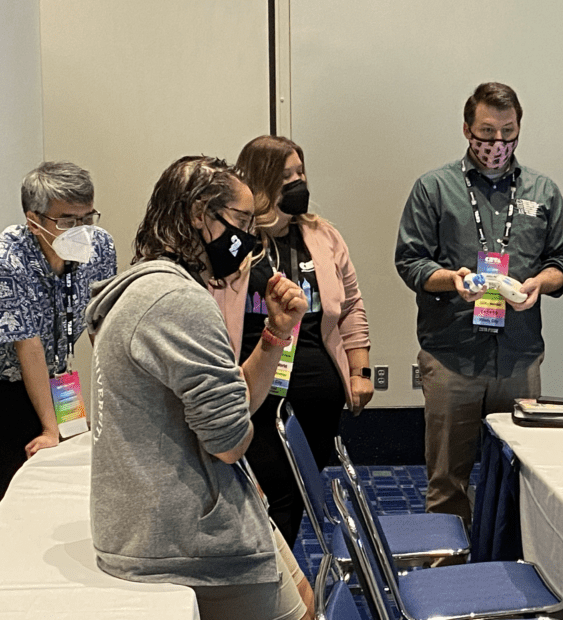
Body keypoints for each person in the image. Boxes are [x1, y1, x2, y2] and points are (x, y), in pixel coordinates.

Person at [87, 156, 313, 620]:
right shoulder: (178, 302)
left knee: (308, 599)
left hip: (160, 526)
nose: (250, 238)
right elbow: (230, 443)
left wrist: (274, 335)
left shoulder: (149, 290)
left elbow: (231, 404)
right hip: (186, 542)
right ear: (197, 214)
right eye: (241, 221)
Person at [396, 82, 563, 524]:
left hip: (518, 358)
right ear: (466, 129)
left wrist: (539, 283)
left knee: (520, 475)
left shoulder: (543, 190)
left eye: (507, 132)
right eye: (486, 132)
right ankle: (446, 569)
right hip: (452, 354)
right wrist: (451, 280)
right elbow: (410, 261)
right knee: (447, 480)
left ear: (519, 130)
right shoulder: (434, 188)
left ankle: (515, 564)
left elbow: (562, 261)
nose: (497, 143)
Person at [214, 135, 372, 546]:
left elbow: (352, 305)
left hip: (318, 394)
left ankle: (279, 575)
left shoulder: (324, 236)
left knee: (300, 492)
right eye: (286, 176)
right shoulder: (237, 246)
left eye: (300, 172)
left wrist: (360, 370)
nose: (298, 182)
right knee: (270, 491)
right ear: (259, 183)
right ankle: (270, 577)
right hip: (256, 391)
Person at [0, 162, 116, 499]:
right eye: (67, 221)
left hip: (61, 380)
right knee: (20, 482)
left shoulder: (100, 247)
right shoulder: (9, 258)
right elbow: (28, 347)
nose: (80, 230)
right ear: (34, 220)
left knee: (74, 458)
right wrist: (51, 429)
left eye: (87, 218)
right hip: (9, 387)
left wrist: (108, 407)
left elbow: (100, 327)